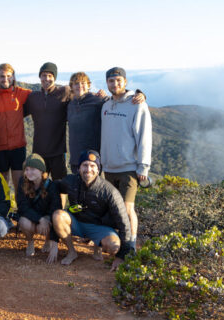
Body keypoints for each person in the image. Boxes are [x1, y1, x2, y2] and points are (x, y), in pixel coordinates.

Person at [52, 150, 131, 270]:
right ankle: (72, 252)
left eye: (92, 166)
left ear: (98, 170)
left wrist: (121, 256)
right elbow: (54, 187)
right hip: (76, 223)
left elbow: (124, 223)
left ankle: (97, 247)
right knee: (58, 215)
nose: (88, 169)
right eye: (85, 165)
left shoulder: (109, 192)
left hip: (98, 227)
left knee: (114, 247)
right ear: (79, 168)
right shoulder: (71, 182)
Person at [100, 67, 152, 250]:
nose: (115, 84)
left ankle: (130, 245)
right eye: (111, 81)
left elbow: (144, 137)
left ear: (125, 82)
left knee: (127, 208)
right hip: (108, 167)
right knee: (114, 209)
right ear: (107, 83)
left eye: (118, 80)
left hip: (129, 167)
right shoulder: (106, 105)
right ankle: (120, 242)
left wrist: (143, 166)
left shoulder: (136, 104)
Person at [67, 72, 145, 173]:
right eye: (76, 83)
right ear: (71, 86)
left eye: (83, 83)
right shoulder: (70, 105)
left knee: (96, 187)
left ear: (88, 85)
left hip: (93, 158)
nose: (80, 86)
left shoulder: (98, 101)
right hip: (75, 157)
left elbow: (118, 101)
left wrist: (140, 95)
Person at [0, 63, 31, 192]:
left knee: (20, 184)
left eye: (8, 76)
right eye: (2, 76)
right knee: (1, 186)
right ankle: (3, 211)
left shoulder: (21, 93)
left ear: (13, 77)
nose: (5, 79)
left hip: (18, 146)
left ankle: (20, 210)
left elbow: (42, 96)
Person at [24, 62, 70, 180]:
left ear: (54, 77)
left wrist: (101, 95)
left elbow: (82, 95)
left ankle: (61, 200)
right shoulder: (33, 97)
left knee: (61, 186)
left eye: (50, 76)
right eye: (44, 75)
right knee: (40, 184)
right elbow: (18, 113)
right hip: (39, 150)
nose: (46, 79)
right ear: (40, 77)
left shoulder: (64, 92)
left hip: (58, 151)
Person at [16, 154, 62, 263]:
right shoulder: (23, 182)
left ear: (41, 171)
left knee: (54, 218)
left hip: (47, 220)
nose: (28, 172)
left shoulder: (52, 186)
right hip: (33, 219)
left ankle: (48, 241)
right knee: (23, 221)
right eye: (26, 169)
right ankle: (30, 241)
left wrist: (54, 243)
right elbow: (22, 207)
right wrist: (40, 219)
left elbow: (56, 210)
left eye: (32, 169)